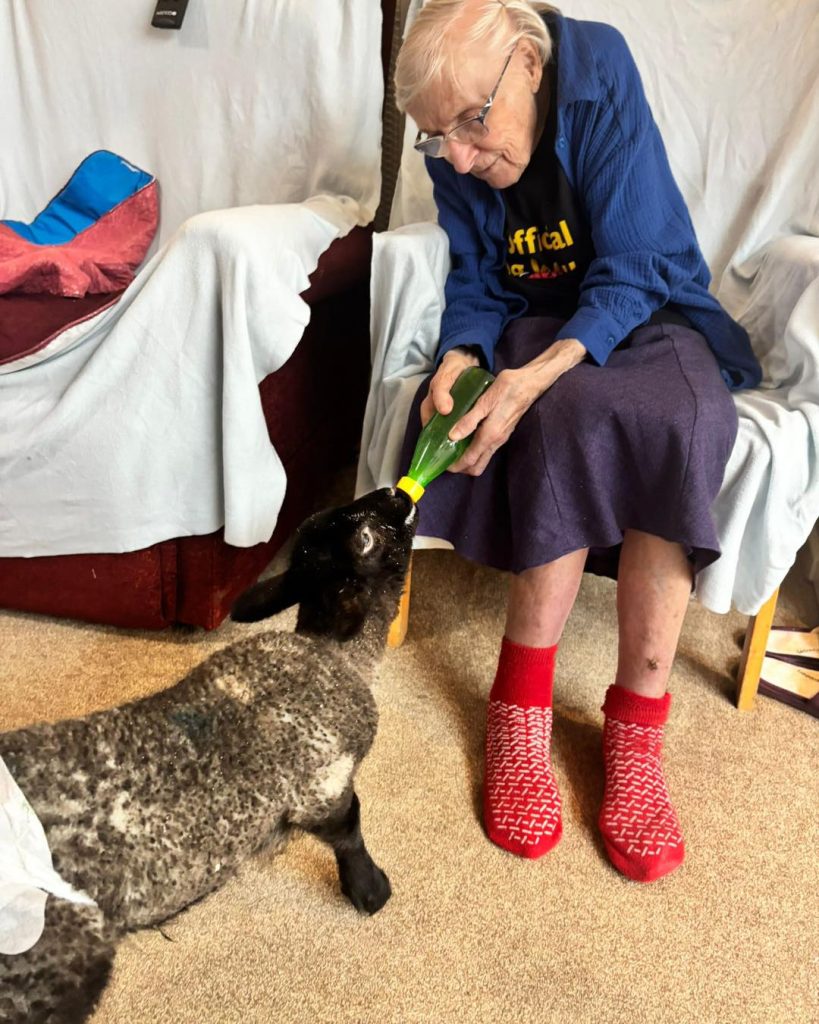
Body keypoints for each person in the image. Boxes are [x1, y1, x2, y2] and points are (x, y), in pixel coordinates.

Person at [393, 0, 761, 882]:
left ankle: (635, 730)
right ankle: (517, 710)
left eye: (473, 125)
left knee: (682, 422)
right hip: (538, 314)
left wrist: (534, 372)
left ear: (525, 62)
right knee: (560, 417)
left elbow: (636, 262)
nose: (459, 156)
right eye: (435, 137)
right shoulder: (457, 139)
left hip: (646, 306)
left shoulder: (597, 71)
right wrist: (462, 354)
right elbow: (476, 275)